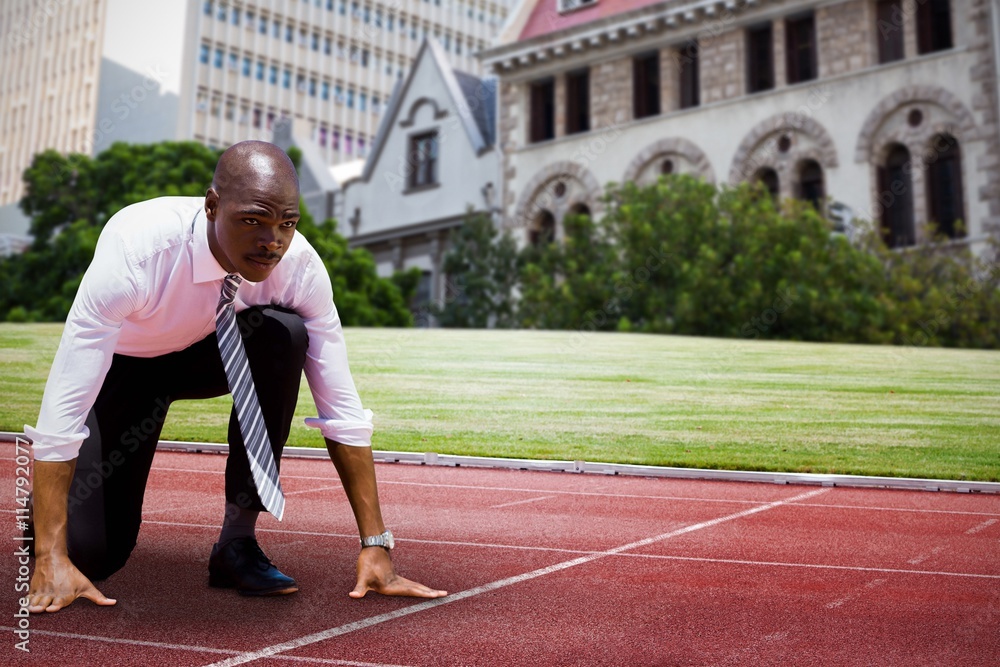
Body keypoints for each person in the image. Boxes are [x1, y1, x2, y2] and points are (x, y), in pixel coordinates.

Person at [25, 140, 446, 612]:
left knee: (284, 335)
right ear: (211, 206)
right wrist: (50, 555)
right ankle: (48, 520)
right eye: (253, 220)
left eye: (287, 224)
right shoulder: (136, 251)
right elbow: (66, 401)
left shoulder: (299, 266)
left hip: (208, 354)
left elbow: (341, 407)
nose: (272, 241)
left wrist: (376, 543)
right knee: (92, 556)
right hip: (125, 367)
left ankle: (237, 543)